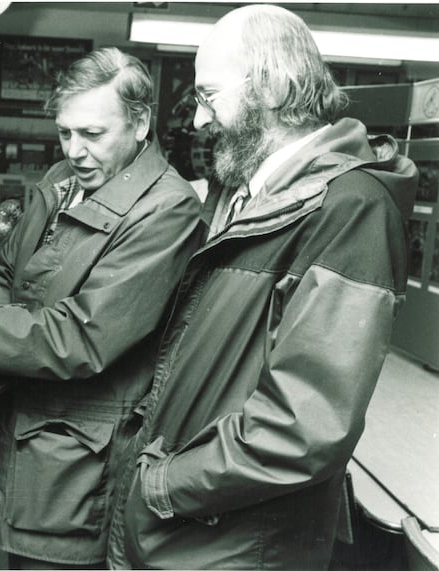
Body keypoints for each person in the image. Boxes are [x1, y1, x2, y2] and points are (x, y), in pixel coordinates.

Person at [107, 5, 419, 570]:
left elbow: (304, 425)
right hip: (189, 530)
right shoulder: (247, 191)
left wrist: (165, 485)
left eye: (207, 96)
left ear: (271, 86)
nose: (199, 122)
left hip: (237, 542)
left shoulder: (349, 209)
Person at [0, 47, 202, 569]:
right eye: (66, 132)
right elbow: (4, 270)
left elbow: (83, 336)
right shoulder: (61, 180)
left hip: (81, 463)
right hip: (32, 435)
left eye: (93, 134)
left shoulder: (167, 208)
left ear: (141, 123)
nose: (76, 150)